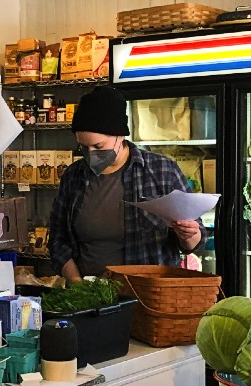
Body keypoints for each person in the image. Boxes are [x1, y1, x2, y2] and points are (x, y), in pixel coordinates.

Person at [48, 86, 204, 282]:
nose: (91, 154)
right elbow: (58, 241)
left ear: (120, 135)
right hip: (89, 294)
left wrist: (188, 234)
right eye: (83, 147)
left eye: (98, 146)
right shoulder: (73, 176)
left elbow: (195, 242)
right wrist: (78, 285)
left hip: (147, 294)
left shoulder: (162, 171)